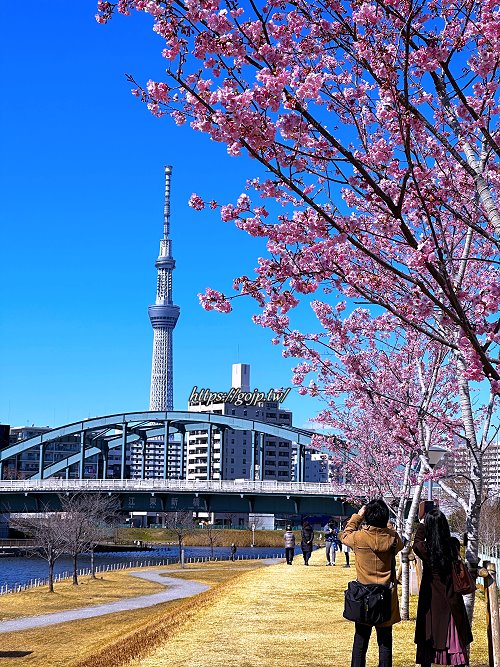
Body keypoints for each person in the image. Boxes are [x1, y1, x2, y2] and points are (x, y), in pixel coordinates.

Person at [342, 499, 404, 667]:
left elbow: (345, 535)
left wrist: (358, 516)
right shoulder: (392, 539)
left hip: (363, 597)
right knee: (385, 644)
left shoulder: (359, 538)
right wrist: (388, 526)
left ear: (367, 517)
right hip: (386, 597)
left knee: (360, 641)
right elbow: (400, 542)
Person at [413, 508, 473, 667]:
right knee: (454, 640)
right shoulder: (453, 544)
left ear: (428, 527)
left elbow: (416, 543)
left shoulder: (425, 549)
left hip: (430, 600)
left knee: (428, 635)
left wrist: (422, 524)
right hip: (450, 599)